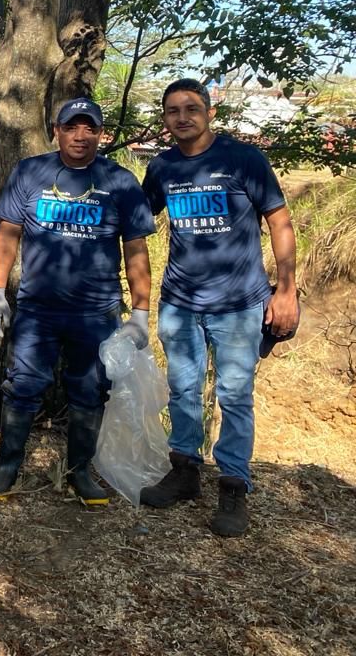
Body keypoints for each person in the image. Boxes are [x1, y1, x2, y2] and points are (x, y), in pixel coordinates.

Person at [139, 79, 299, 536]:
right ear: (165, 119)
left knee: (233, 395)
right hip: (180, 302)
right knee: (183, 390)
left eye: (192, 108)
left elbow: (280, 221)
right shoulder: (163, 167)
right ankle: (185, 470)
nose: (182, 117)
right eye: (173, 110)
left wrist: (286, 290)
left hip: (238, 304)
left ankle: (233, 484)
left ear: (209, 112)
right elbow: (138, 219)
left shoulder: (242, 160)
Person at [0, 97, 153, 505]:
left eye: (89, 128)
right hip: (39, 308)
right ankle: (6, 469)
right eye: (71, 127)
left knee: (91, 389)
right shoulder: (31, 172)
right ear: (56, 130)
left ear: (100, 133)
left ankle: (80, 474)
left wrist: (142, 312)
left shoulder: (120, 182)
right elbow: (8, 235)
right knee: (23, 386)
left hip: (96, 311)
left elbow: (135, 249)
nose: (81, 136)